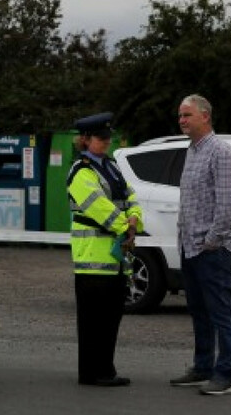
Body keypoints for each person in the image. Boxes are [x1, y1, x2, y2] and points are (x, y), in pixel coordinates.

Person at [170, 94, 231, 395]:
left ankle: (225, 375)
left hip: (212, 250)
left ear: (205, 116)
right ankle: (202, 368)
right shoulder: (193, 150)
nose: (182, 120)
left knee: (220, 313)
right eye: (180, 115)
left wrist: (211, 241)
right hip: (189, 247)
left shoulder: (220, 152)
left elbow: (227, 206)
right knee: (199, 311)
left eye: (187, 115)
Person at [67, 112, 143, 387]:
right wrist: (126, 226)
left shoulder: (111, 166)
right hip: (92, 260)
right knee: (93, 321)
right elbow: (99, 207)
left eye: (108, 137)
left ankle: (105, 370)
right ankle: (91, 373)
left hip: (115, 258)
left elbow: (131, 196)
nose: (107, 141)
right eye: (101, 138)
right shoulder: (81, 171)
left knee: (110, 319)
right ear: (85, 140)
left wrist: (134, 219)